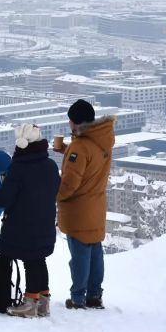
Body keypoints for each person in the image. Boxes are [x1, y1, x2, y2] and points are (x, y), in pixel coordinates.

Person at [0, 124, 61, 318]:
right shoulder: (50, 166)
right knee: (38, 258)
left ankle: (30, 302)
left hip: (20, 226)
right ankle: (43, 302)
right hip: (45, 222)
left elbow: (4, 199)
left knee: (27, 259)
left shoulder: (18, 168)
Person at [56, 99, 115, 310]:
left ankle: (78, 298)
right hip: (96, 206)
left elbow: (70, 183)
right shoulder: (102, 141)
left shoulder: (80, 147)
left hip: (78, 210)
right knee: (95, 254)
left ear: (74, 121)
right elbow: (90, 161)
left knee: (80, 257)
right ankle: (95, 295)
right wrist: (67, 150)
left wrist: (55, 196)